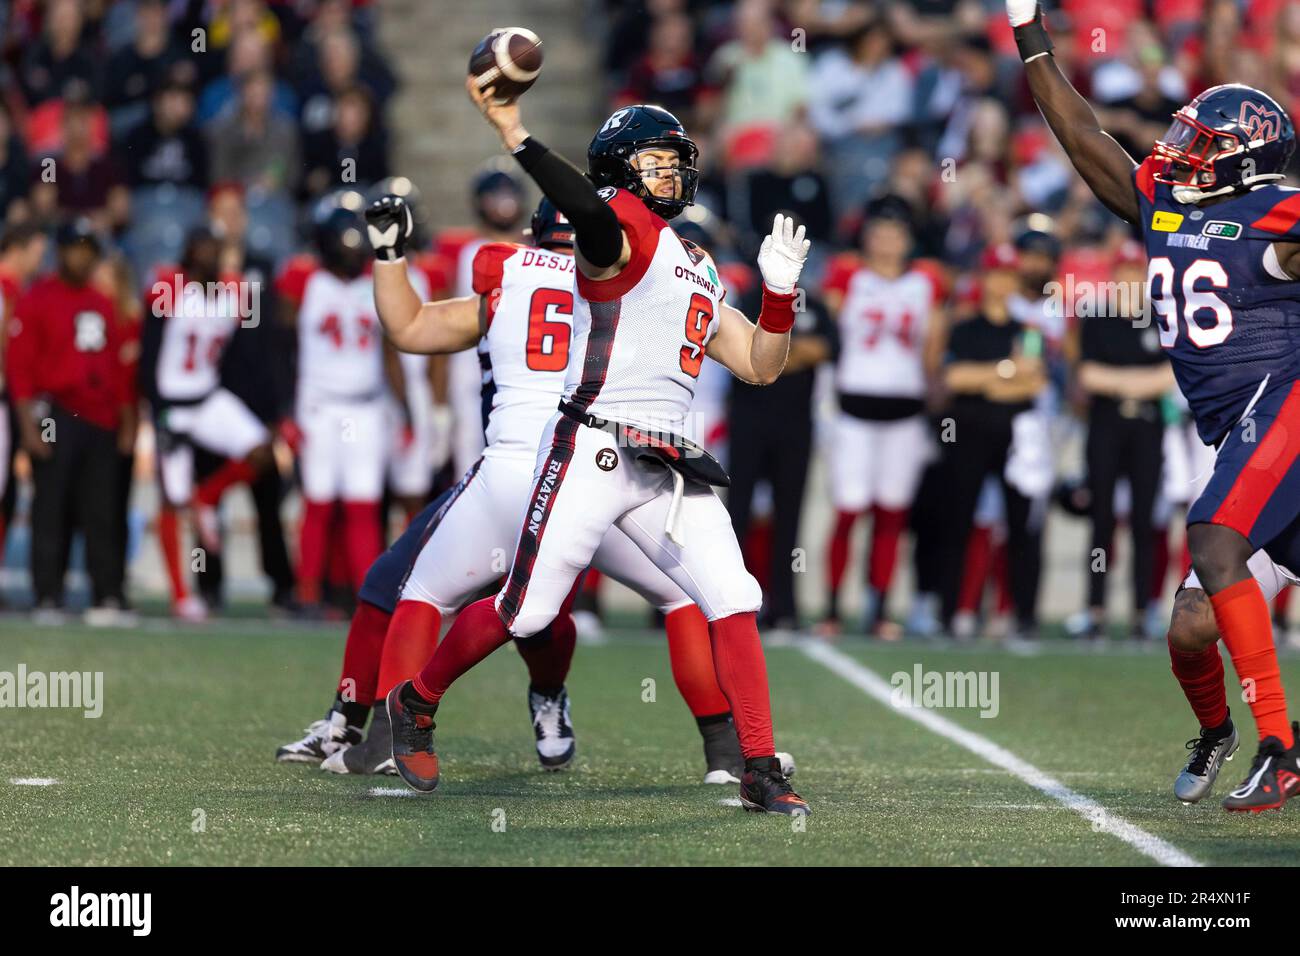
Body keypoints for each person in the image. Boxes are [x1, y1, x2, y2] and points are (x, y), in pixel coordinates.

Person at [377, 89, 811, 815]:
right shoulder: (619, 229)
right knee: (525, 609)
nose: (670, 173)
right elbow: (589, 214)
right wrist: (518, 135)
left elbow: (761, 364)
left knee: (733, 597)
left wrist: (779, 295)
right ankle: (416, 702)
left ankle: (759, 766)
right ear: (619, 168)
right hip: (595, 444)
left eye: (677, 162)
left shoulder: (696, 258)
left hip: (668, 458)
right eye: (655, 161)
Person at [277, 198, 775, 786]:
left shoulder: (509, 275)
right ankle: (723, 751)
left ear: (535, 233)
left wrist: (390, 257)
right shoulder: (652, 277)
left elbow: (409, 328)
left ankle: (391, 730)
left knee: (427, 591)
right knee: (682, 598)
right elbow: (747, 357)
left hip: (526, 465)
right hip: (618, 465)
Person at [1008, 0, 1300, 810]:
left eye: (1200, 146)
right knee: (1190, 628)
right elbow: (1082, 135)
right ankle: (1218, 734)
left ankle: (1279, 746)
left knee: (1211, 537)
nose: (1177, 154)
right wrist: (1031, 37)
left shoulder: (1277, 212)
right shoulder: (1166, 207)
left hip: (1285, 409)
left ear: (1249, 161)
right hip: (1245, 439)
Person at [820, 196, 946, 637]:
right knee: (849, 510)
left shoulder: (926, 281)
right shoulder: (847, 274)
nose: (887, 241)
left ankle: (878, 610)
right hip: (854, 405)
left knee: (891, 514)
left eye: (895, 234)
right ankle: (832, 608)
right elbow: (825, 328)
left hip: (906, 408)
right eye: (879, 233)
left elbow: (933, 344)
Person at [139, 227, 275, 620]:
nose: (209, 255)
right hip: (173, 403)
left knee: (263, 451)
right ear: (187, 250)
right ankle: (181, 595)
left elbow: (242, 351)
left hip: (209, 396)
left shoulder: (233, 293)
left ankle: (209, 497)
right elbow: (150, 352)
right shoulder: (169, 287)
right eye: (202, 248)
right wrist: (158, 409)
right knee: (172, 499)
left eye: (216, 248)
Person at [6, 219, 136, 624]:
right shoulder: (38, 298)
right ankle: (48, 595)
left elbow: (117, 371)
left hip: (99, 415)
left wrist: (128, 420)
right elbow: (20, 367)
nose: (80, 257)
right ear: (60, 252)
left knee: (102, 508)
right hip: (56, 412)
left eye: (87, 249)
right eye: (73, 248)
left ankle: (107, 595)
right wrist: (28, 426)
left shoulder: (101, 303)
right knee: (52, 504)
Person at [934, 243, 1047, 639]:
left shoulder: (1027, 330)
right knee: (959, 520)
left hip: (1014, 435)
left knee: (1020, 526)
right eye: (994, 275)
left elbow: (1033, 382)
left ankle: (1019, 612)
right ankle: (953, 611)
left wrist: (988, 381)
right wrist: (1004, 371)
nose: (1000, 284)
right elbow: (954, 378)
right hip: (969, 432)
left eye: (1007, 276)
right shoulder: (966, 327)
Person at [1073, 240, 1175, 640]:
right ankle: (1095, 607)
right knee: (1101, 520)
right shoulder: (1097, 318)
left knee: (1144, 520)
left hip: (1147, 426)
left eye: (1136, 273)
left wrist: (1121, 382)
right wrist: (1136, 383)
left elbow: (1171, 375)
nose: (1130, 280)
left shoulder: (1160, 318)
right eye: (1124, 273)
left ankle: (1141, 610)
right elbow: (1087, 376)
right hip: (1106, 426)